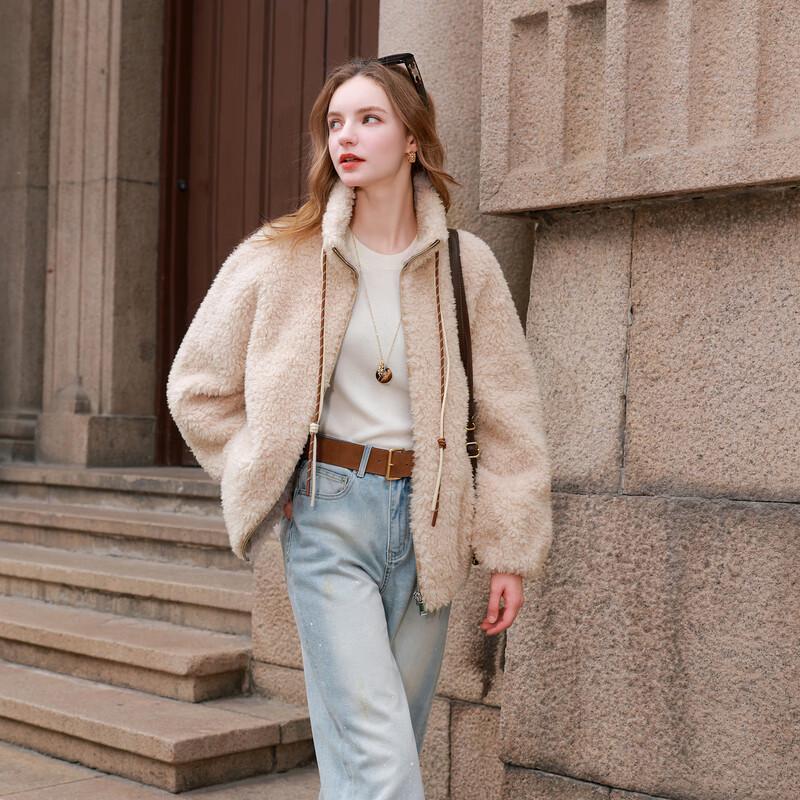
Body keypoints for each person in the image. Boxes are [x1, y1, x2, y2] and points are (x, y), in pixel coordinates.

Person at [166, 53, 553, 800]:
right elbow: (197, 388)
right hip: (329, 513)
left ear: (412, 140)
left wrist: (509, 550)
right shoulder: (281, 255)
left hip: (431, 524)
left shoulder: (465, 266)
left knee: (379, 750)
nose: (345, 136)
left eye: (369, 119)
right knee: (381, 758)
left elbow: (510, 418)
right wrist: (264, 467)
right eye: (335, 122)